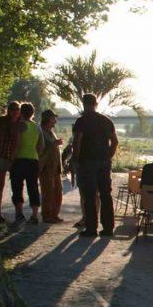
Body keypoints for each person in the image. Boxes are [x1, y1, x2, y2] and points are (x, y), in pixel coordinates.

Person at [72, 93, 118, 237]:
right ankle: (108, 227)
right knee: (105, 194)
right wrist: (108, 156)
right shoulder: (106, 120)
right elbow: (115, 141)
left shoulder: (81, 121)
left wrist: (76, 159)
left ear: (84, 104)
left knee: (90, 195)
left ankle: (91, 228)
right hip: (104, 162)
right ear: (96, 104)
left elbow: (77, 142)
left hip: (87, 162)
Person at [10, 103, 44, 224]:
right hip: (33, 159)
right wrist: (36, 155)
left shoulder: (20, 126)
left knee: (17, 187)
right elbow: (41, 146)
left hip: (20, 159)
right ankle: (34, 215)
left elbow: (17, 144)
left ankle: (19, 214)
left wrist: (12, 158)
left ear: (21, 113)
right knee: (33, 187)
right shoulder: (37, 127)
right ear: (32, 113)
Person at [0, 101, 22, 222]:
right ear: (8, 110)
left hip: (12, 158)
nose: (15, 112)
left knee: (15, 185)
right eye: (13, 109)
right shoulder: (1, 122)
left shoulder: (20, 124)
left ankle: (18, 213)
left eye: (17, 109)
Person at [37, 109, 65, 223]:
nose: (55, 121)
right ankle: (47, 215)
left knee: (58, 191)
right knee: (48, 191)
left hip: (56, 167)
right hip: (46, 167)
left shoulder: (51, 132)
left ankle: (54, 214)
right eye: (54, 118)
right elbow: (40, 150)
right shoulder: (41, 131)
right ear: (48, 119)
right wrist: (54, 144)